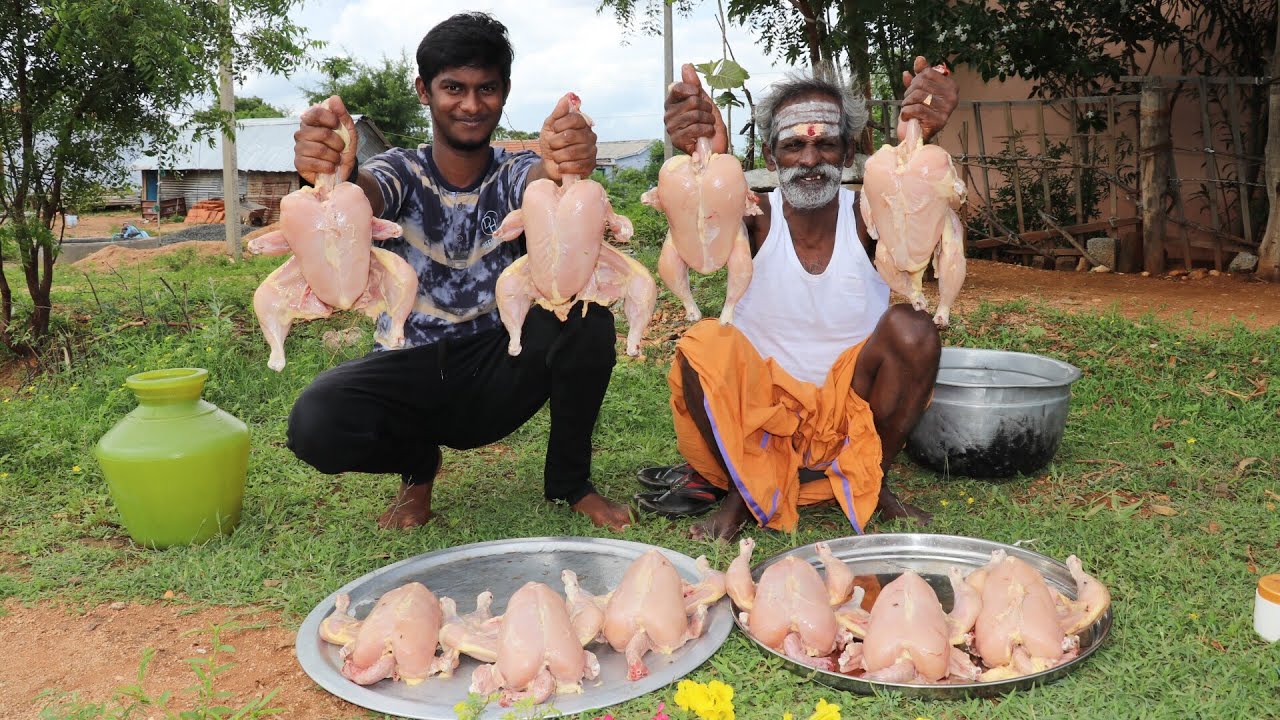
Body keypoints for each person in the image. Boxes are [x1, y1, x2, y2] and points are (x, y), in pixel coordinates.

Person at [284, 12, 633, 532]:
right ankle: (418, 468)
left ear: (505, 92)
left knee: (586, 320)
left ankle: (570, 482)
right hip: (411, 366)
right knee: (315, 422)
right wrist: (334, 173)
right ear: (424, 90)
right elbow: (365, 195)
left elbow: (541, 178)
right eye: (453, 87)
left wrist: (565, 163)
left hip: (501, 362)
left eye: (486, 88)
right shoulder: (399, 170)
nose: (471, 105)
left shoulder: (516, 173)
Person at [637, 58, 960, 541]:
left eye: (825, 143)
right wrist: (706, 163)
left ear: (848, 152)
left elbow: (934, 232)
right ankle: (744, 494)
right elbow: (696, 236)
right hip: (762, 417)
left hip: (851, 409)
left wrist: (919, 146)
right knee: (703, 344)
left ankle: (875, 480)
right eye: (793, 146)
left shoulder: (871, 216)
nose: (810, 160)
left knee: (914, 330)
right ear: (770, 159)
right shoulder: (750, 218)